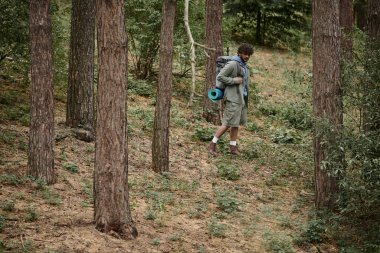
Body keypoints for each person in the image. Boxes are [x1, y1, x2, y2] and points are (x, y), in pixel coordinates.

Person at [209, 43, 254, 155]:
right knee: (227, 123)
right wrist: (234, 81)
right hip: (232, 98)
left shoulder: (244, 65)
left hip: (241, 98)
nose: (247, 56)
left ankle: (233, 147)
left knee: (235, 124)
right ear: (239, 53)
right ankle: (212, 145)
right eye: (245, 53)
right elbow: (220, 77)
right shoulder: (233, 64)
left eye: (249, 54)